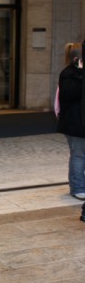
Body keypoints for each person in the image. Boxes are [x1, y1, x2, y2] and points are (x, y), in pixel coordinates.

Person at [57, 43, 85, 200]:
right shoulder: (68, 74)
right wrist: (81, 76)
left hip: (80, 121)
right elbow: (69, 94)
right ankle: (78, 187)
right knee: (78, 155)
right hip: (75, 123)